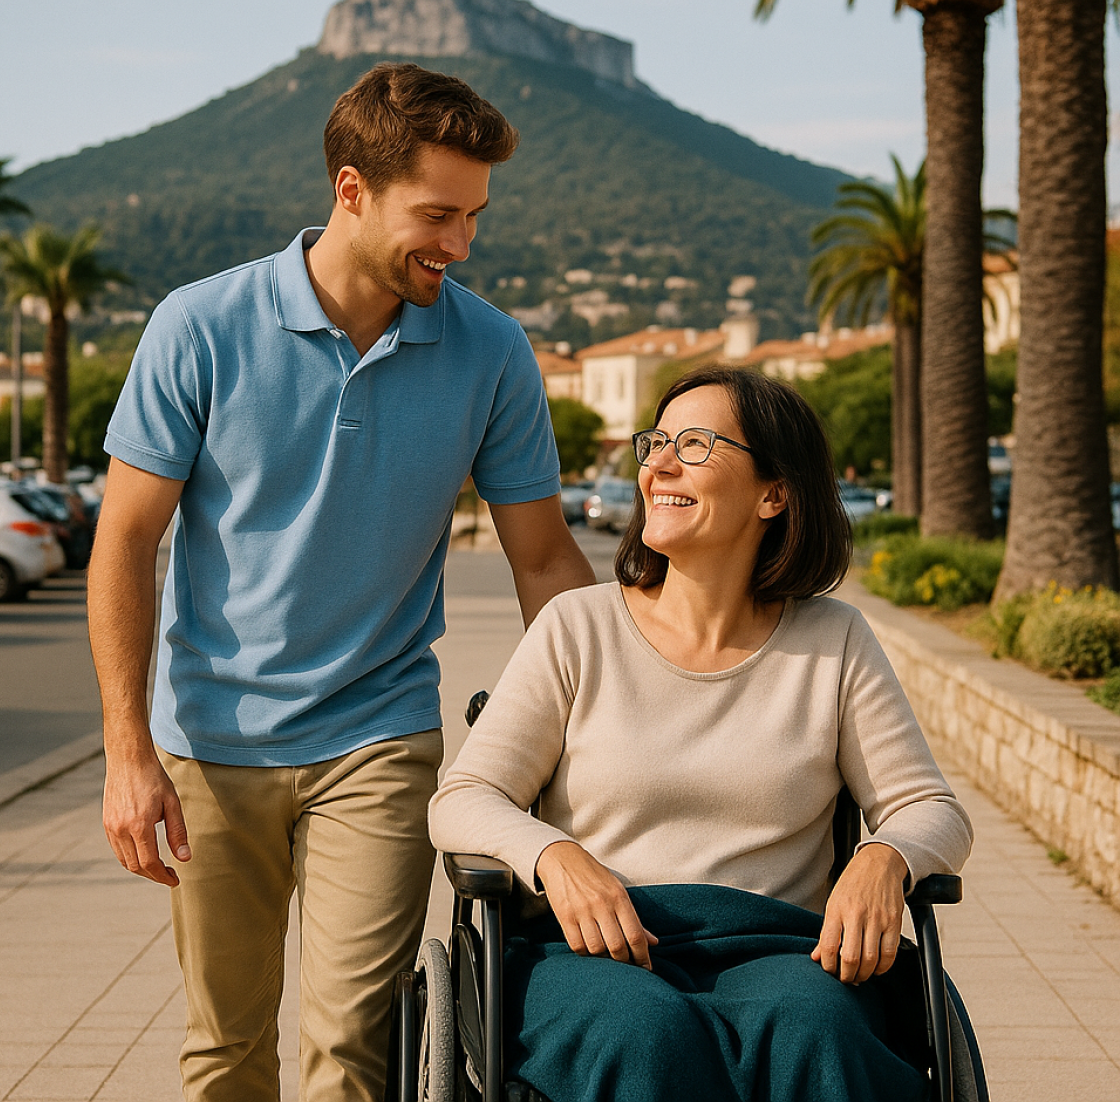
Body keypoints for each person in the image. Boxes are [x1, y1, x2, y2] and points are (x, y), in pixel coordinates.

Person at [87, 61, 595, 1102]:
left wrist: (612, 716)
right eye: (438, 215)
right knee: (224, 1049)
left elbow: (544, 556)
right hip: (209, 745)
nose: (459, 245)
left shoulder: (490, 348)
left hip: (380, 733)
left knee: (351, 1049)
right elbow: (125, 542)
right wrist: (127, 753)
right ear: (353, 189)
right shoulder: (200, 325)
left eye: (474, 218)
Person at [429, 364, 973, 1102]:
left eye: (693, 443)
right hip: (594, 950)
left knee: (818, 1025)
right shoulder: (578, 628)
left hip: (781, 948)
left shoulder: (834, 642)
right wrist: (552, 854)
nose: (658, 463)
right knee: (642, 1032)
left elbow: (931, 808)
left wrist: (885, 857)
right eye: (655, 442)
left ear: (774, 494)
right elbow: (464, 797)